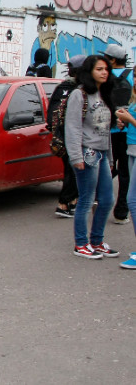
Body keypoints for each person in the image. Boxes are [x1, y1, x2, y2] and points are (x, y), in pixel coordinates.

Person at [65, 55, 118, 259]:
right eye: (99, 69)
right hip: (88, 153)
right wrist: (76, 156)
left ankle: (96, 241)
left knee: (106, 199)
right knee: (86, 200)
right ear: (89, 71)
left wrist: (111, 157)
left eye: (106, 69)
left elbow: (106, 131)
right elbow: (73, 127)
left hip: (103, 152)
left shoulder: (104, 94)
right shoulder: (79, 95)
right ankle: (81, 243)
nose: (104, 72)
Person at [48, 55, 85, 217]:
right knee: (73, 169)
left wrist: (54, 131)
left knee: (71, 169)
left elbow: (50, 113)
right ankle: (63, 203)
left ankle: (72, 201)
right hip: (72, 135)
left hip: (60, 135)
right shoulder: (78, 90)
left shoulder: (62, 87)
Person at [102, 44, 133, 225]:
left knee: (108, 167)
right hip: (128, 131)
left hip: (110, 130)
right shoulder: (131, 76)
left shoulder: (105, 77)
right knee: (125, 172)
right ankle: (121, 212)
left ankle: (99, 199)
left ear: (112, 60)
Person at [113, 82, 136, 268]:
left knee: (132, 200)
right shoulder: (134, 98)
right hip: (131, 150)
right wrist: (124, 123)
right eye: (135, 75)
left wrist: (130, 118)